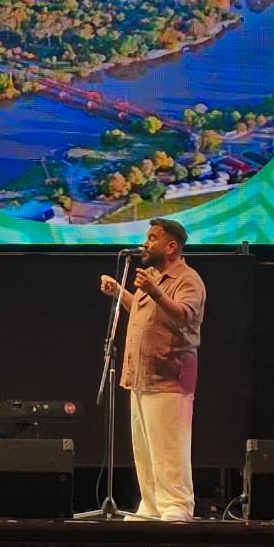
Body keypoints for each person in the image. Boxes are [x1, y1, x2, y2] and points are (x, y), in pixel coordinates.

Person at [98, 218, 206, 521]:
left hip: (168, 375)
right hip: (142, 375)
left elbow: (184, 316)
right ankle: (153, 505)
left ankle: (176, 506)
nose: (146, 243)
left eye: (153, 237)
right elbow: (144, 309)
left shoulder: (187, 280)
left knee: (169, 447)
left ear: (171, 246)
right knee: (145, 448)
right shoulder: (155, 277)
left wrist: (155, 291)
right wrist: (119, 292)